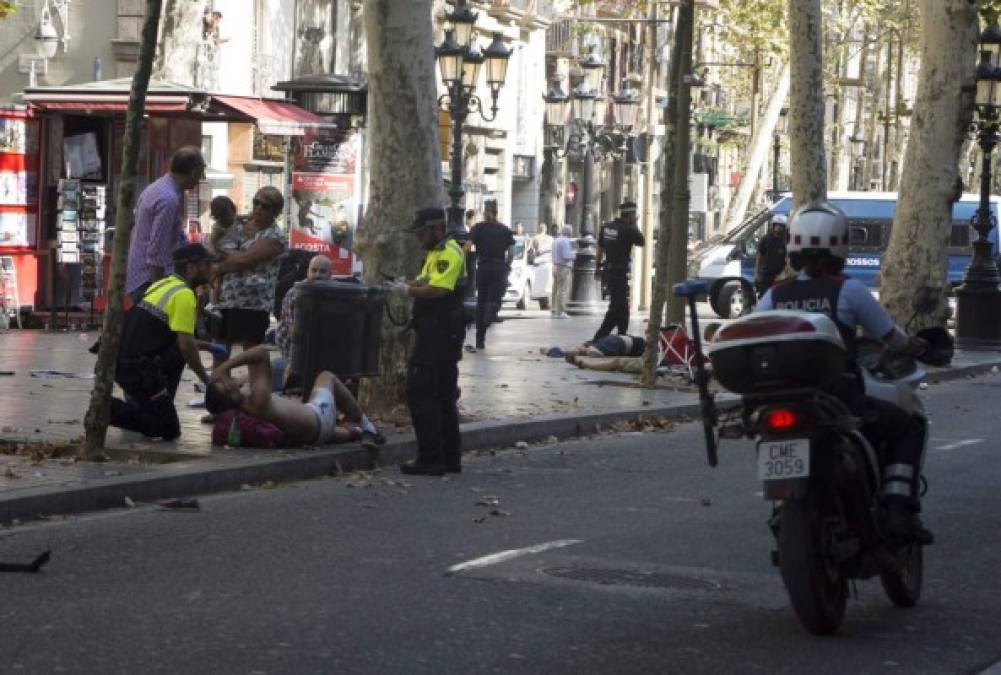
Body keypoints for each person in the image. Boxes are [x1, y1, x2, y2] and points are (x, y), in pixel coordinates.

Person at [755, 201, 933, 545]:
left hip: (783, 399)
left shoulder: (775, 295)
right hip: (841, 399)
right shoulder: (848, 290)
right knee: (908, 427)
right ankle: (898, 508)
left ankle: (781, 508)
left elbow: (752, 328)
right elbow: (890, 336)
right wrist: (918, 347)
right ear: (840, 244)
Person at [386, 207, 467, 476]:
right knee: (442, 394)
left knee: (423, 392)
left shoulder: (449, 252)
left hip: (440, 334)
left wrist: (407, 290)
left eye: (422, 233)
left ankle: (431, 457)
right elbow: (426, 280)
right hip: (438, 331)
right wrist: (405, 282)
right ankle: (449, 458)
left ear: (436, 229)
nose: (418, 239)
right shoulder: (435, 253)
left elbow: (438, 289)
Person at [110, 244, 215, 440]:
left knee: (157, 416)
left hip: (124, 363)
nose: (211, 270)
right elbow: (185, 345)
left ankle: (148, 405)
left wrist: (207, 346)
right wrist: (206, 380)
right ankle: (109, 410)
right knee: (168, 429)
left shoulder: (163, 284)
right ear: (191, 268)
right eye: (206, 265)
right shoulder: (184, 295)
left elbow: (162, 332)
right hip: (138, 370)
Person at [206, 346, 384, 447]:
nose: (228, 381)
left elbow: (254, 366)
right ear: (229, 394)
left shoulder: (245, 403)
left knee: (349, 433)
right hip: (318, 419)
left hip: (312, 434)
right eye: (226, 385)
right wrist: (223, 367)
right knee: (326, 376)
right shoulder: (256, 401)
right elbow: (261, 354)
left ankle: (355, 432)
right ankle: (367, 427)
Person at [126, 147, 206, 303]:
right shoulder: (168, 199)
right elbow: (157, 251)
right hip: (149, 281)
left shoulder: (157, 188)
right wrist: (159, 294)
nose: (200, 179)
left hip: (141, 277)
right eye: (201, 174)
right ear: (194, 171)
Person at [211, 186, 287, 349]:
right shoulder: (239, 224)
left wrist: (220, 265)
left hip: (253, 304)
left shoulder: (275, 236)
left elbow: (244, 260)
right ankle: (221, 375)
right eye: (256, 202)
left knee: (252, 353)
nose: (258, 208)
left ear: (276, 211)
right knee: (220, 348)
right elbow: (216, 248)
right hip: (226, 299)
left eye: (265, 206)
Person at [274, 254, 333, 390]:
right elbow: (294, 334)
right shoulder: (294, 293)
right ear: (307, 272)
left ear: (330, 274)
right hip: (293, 348)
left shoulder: (335, 293)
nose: (317, 275)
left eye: (323, 272)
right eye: (314, 270)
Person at [593, 200, 645, 342]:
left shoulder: (607, 227)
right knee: (617, 307)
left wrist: (597, 266)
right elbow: (642, 241)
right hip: (619, 273)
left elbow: (600, 248)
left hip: (608, 271)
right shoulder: (629, 229)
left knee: (621, 306)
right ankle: (600, 338)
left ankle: (622, 334)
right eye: (635, 215)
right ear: (631, 215)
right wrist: (635, 224)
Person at [465, 199, 514, 351]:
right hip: (499, 267)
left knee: (481, 302)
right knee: (496, 298)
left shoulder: (477, 228)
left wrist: (464, 261)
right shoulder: (505, 230)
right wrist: (507, 265)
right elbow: (511, 252)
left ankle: (480, 338)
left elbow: (467, 247)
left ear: (485, 212)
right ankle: (492, 310)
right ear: (496, 212)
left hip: (484, 267)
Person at [755, 214, 788, 295]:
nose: (779, 227)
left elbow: (789, 260)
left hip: (781, 277)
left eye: (781, 225)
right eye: (777, 225)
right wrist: (757, 273)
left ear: (784, 227)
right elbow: (759, 256)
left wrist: (784, 275)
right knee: (765, 296)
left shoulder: (787, 241)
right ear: (773, 225)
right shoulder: (766, 239)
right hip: (766, 276)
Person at [551, 224, 574, 318]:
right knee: (563, 289)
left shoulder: (556, 240)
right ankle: (561, 311)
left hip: (555, 266)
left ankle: (554, 309)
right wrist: (574, 255)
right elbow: (566, 256)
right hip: (564, 267)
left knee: (555, 289)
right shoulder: (565, 241)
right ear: (569, 232)